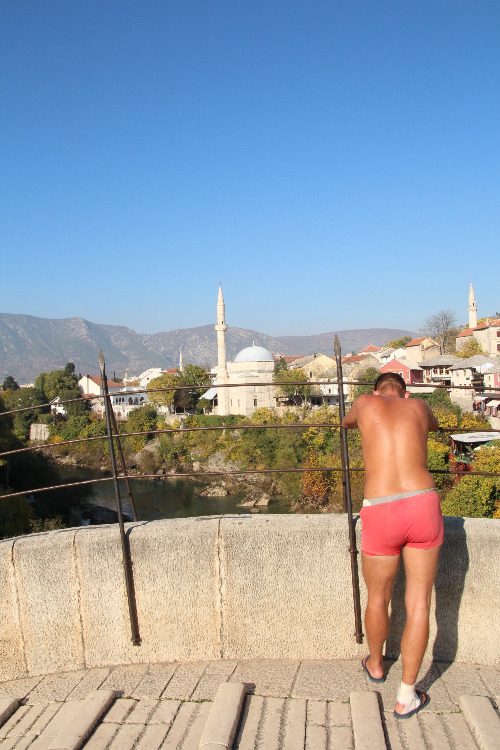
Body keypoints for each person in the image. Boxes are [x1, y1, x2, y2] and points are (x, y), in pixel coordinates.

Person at [342, 372, 443, 719]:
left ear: (375, 391)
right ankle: (406, 697)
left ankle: (375, 664)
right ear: (405, 392)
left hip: (381, 508)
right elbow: (434, 426)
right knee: (419, 603)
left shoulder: (364, 403)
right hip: (422, 503)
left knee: (378, 597)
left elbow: (346, 423)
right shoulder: (420, 406)